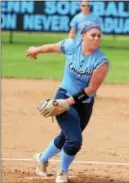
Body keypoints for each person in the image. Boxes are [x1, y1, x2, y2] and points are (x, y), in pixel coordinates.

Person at [25, 23, 109, 183]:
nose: (97, 38)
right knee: (75, 141)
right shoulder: (71, 45)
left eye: (99, 35)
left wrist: (67, 103)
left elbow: (90, 90)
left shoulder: (101, 62)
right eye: (93, 35)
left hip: (84, 103)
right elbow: (51, 47)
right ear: (83, 36)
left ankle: (42, 158)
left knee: (67, 136)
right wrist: (35, 50)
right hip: (63, 94)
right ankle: (62, 172)